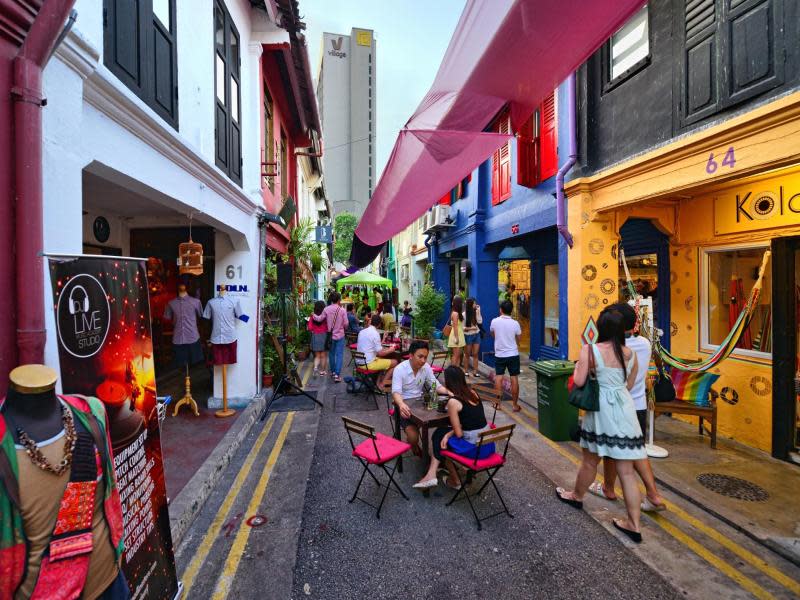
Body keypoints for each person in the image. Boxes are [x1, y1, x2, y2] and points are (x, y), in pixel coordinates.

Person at [555, 307, 646, 544]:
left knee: (590, 460)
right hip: (625, 410)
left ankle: (576, 495)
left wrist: (578, 368)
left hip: (600, 411)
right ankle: (634, 524)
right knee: (626, 471)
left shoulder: (590, 350)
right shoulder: (631, 354)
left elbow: (580, 380)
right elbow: (630, 383)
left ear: (601, 329)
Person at [588, 303, 666, 511]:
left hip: (617, 407)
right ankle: (652, 493)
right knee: (636, 451)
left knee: (612, 452)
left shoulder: (616, 349)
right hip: (638, 406)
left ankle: (609, 488)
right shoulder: (644, 343)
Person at [414, 366, 488, 490]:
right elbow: (471, 421)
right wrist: (448, 434)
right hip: (488, 445)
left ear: (448, 382)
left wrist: (447, 435)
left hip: (475, 450)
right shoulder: (473, 393)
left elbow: (459, 434)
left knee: (440, 439)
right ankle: (432, 474)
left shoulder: (453, 402)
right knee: (441, 434)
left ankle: (453, 480)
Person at [392, 340, 450, 457]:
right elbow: (396, 392)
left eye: (425, 357)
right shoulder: (400, 369)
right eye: (420, 357)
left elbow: (435, 385)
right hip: (404, 406)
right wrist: (401, 404)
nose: (423, 361)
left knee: (445, 419)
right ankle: (413, 444)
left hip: (420, 405)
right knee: (413, 438)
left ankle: (438, 457)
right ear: (411, 355)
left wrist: (450, 393)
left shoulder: (426, 367)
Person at [491, 300, 522, 411]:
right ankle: (514, 405)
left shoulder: (494, 321)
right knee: (514, 377)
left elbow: (493, 334)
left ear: (501, 310)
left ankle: (498, 404)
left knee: (498, 377)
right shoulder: (515, 323)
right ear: (511, 310)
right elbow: (519, 339)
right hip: (513, 354)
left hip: (500, 354)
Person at [357, 314, 398, 387]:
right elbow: (380, 353)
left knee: (383, 360)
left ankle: (378, 382)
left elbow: (372, 346)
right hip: (368, 364)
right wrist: (391, 350)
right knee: (395, 362)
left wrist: (383, 339)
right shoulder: (375, 333)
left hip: (360, 362)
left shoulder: (362, 332)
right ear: (379, 324)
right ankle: (382, 385)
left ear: (371, 321)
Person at [322, 291, 347, 383]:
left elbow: (320, 318)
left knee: (331, 354)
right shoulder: (342, 310)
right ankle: (337, 374)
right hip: (340, 335)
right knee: (339, 354)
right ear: (339, 300)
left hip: (330, 335)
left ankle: (332, 372)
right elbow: (346, 324)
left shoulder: (326, 309)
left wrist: (313, 315)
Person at [463, 297, 483, 377]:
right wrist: (471, 328)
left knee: (475, 353)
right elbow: (463, 328)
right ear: (470, 304)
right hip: (468, 336)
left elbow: (480, 322)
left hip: (476, 334)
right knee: (467, 354)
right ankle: (466, 370)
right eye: (474, 303)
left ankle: (475, 371)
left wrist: (479, 312)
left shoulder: (476, 312)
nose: (476, 304)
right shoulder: (464, 315)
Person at [308, 300, 328, 377]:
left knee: (317, 356)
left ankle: (315, 368)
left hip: (315, 336)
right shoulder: (325, 316)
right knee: (323, 355)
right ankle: (322, 371)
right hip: (324, 336)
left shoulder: (312, 316)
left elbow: (309, 328)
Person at [448, 295, 466, 368]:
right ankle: (452, 372)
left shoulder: (457, 313)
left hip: (459, 334)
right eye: (461, 302)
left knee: (458, 355)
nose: (462, 304)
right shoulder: (455, 313)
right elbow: (455, 326)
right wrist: (456, 338)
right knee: (456, 355)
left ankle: (457, 371)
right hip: (456, 335)